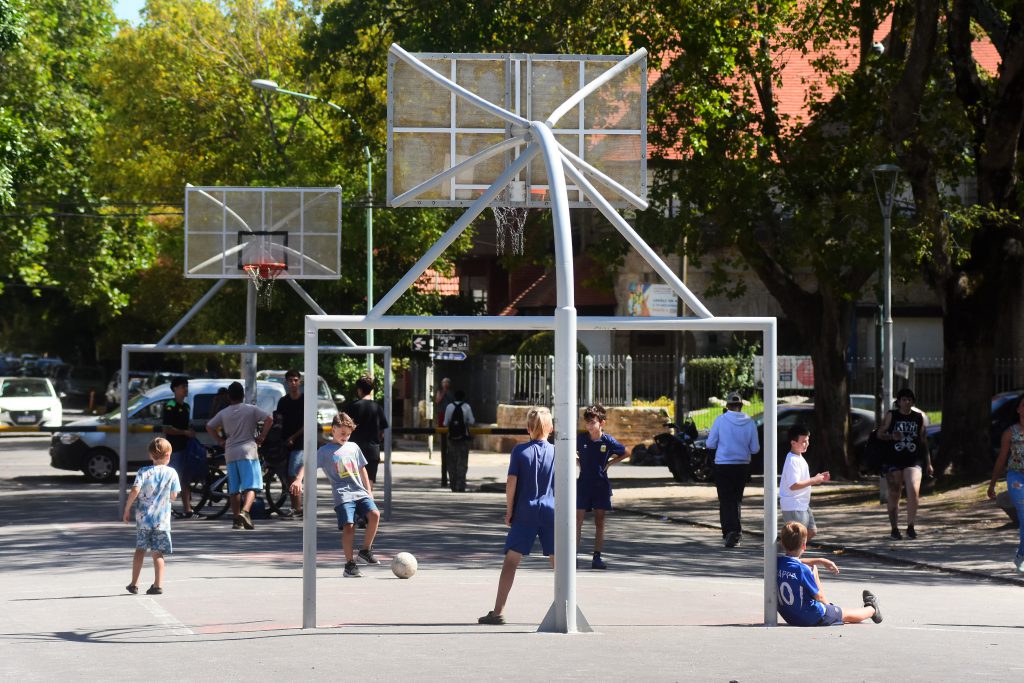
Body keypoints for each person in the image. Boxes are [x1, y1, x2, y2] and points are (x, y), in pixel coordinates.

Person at [478, 407, 555, 625]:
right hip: (551, 511)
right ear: (551, 428)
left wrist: (509, 510)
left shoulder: (520, 451)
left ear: (528, 428)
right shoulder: (557, 452)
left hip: (525, 511)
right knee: (558, 562)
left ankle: (498, 611)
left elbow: (511, 482)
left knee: (511, 561)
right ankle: (565, 605)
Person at [290, 412, 380, 578]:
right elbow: (308, 464)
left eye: (348, 434)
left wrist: (369, 490)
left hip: (359, 491)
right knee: (349, 526)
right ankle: (350, 565)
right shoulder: (325, 451)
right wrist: (298, 479)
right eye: (342, 433)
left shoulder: (353, 447)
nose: (345, 437)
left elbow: (362, 469)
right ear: (333, 430)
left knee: (374, 514)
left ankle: (365, 551)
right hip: (342, 494)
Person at [777, 521, 882, 626]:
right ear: (804, 546)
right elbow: (819, 597)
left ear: (782, 543)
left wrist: (820, 560)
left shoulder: (776, 563)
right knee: (845, 613)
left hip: (790, 616)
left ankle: (830, 610)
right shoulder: (803, 570)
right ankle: (872, 608)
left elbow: (793, 563)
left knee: (813, 567)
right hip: (812, 616)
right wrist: (830, 608)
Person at [205, 381, 272, 531]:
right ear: (243, 396)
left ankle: (236, 520)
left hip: (231, 452)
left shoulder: (224, 413)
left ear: (229, 397)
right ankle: (245, 512)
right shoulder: (251, 409)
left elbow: (209, 426)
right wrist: (262, 436)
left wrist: (219, 440)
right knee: (251, 486)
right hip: (248, 451)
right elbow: (269, 419)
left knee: (234, 489)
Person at [123, 437, 180, 596]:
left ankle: (134, 583)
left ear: (150, 455)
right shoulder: (172, 473)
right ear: (168, 455)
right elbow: (174, 495)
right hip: (162, 521)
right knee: (157, 553)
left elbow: (135, 490)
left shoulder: (143, 471)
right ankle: (157, 585)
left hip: (144, 520)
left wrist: (127, 508)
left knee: (140, 550)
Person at [575, 403, 628, 569]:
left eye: (593, 422)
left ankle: (597, 557)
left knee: (599, 521)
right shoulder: (581, 439)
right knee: (577, 520)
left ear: (602, 423)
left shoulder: (608, 441)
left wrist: (610, 463)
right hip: (583, 485)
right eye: (587, 422)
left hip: (601, 486)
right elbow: (567, 449)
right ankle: (573, 556)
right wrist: (577, 461)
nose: (589, 426)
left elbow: (626, 452)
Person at [876, 387, 933, 540]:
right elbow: (879, 433)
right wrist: (890, 436)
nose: (906, 402)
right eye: (903, 399)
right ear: (899, 402)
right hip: (893, 458)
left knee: (913, 488)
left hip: (913, 459)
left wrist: (928, 463)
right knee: (895, 492)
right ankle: (894, 528)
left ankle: (911, 526)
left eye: (909, 399)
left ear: (913, 402)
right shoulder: (892, 415)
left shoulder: (918, 417)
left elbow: (923, 441)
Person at [706, 393, 760, 548]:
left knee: (725, 500)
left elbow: (710, 443)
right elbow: (755, 448)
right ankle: (734, 531)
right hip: (742, 465)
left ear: (727, 406)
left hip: (723, 464)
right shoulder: (750, 422)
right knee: (736, 499)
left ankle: (730, 531)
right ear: (741, 405)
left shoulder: (720, 420)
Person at [987, 393, 1024, 572]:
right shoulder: (1010, 432)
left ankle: (1020, 554)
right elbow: (1001, 460)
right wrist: (992, 484)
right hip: (1016, 477)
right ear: (1018, 410)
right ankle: (1022, 558)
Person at [779, 424, 829, 541]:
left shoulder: (799, 458)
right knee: (795, 539)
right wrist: (814, 480)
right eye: (803, 442)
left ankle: (785, 550)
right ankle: (780, 550)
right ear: (793, 443)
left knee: (811, 531)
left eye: (807, 441)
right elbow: (793, 485)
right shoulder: (792, 460)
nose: (807, 444)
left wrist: (817, 478)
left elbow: (800, 481)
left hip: (802, 504)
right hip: (794, 505)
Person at [162, 377, 200, 519]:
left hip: (186, 447)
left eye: (186, 386)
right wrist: (184, 432)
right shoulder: (170, 405)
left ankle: (187, 509)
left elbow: (186, 425)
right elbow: (167, 428)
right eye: (183, 386)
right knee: (172, 479)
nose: (186, 389)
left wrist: (190, 430)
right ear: (175, 389)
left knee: (185, 480)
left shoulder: (186, 407)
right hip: (174, 448)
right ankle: (164, 509)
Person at [345, 374, 389, 486]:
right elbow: (382, 432)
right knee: (368, 486)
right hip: (372, 450)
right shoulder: (377, 407)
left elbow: (343, 428)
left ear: (359, 390)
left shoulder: (351, 407)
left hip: (352, 451)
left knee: (351, 486)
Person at [274, 369, 305, 517]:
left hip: (300, 443)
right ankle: (294, 506)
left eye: (295, 380)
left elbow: (308, 423)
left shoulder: (305, 400)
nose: (293, 383)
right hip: (284, 443)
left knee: (293, 473)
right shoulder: (283, 401)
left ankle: (297, 508)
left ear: (299, 382)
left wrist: (294, 436)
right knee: (287, 475)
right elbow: (278, 421)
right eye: (290, 380)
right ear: (286, 382)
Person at [443, 389, 476, 492]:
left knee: (452, 462)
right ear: (463, 397)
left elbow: (445, 423)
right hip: (463, 438)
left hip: (452, 438)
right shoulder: (466, 407)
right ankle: (461, 485)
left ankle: (453, 484)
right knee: (462, 462)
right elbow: (472, 421)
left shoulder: (449, 407)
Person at [435, 377, 454, 488]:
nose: (446, 384)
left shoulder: (451, 393)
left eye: (447, 382)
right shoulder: (440, 392)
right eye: (444, 383)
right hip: (442, 413)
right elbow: (437, 401)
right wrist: (443, 393)